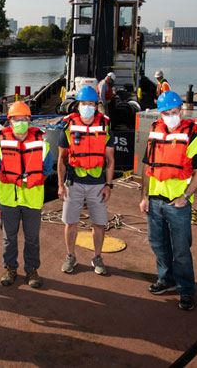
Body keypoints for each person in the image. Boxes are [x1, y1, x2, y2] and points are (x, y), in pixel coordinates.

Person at [139, 91, 197, 311]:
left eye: (174, 112)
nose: (170, 116)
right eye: (166, 113)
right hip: (154, 202)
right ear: (160, 114)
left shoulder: (193, 137)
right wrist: (144, 196)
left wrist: (185, 197)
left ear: (181, 111)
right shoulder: (154, 133)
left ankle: (186, 291)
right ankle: (166, 280)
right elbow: (146, 166)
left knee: (181, 251)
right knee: (158, 244)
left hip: (177, 205)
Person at [0, 101, 54, 288]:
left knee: (32, 238)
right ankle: (10, 268)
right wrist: (12, 180)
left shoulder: (42, 143)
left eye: (24, 119)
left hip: (33, 199)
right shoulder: (1, 142)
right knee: (9, 237)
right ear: (10, 122)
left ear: (29, 120)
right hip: (9, 198)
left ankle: (32, 270)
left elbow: (47, 169)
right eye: (16, 119)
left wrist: (30, 181)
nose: (20, 122)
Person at [58, 86, 115, 275]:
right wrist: (60, 184)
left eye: (91, 104)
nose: (87, 107)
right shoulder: (68, 126)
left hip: (98, 183)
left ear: (96, 105)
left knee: (99, 224)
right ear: (78, 105)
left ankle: (97, 257)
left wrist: (108, 185)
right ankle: (70, 256)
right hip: (73, 182)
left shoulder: (105, 126)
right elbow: (61, 159)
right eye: (84, 103)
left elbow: (110, 160)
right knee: (70, 222)